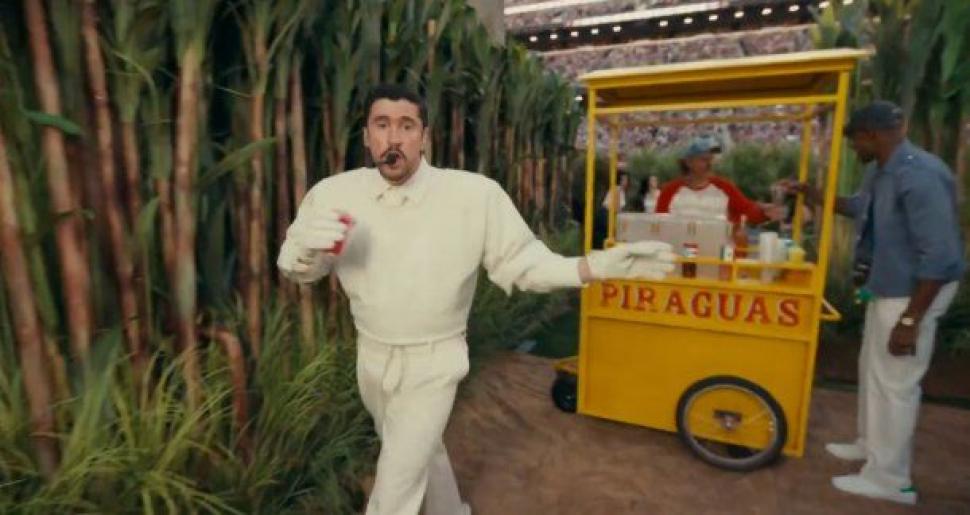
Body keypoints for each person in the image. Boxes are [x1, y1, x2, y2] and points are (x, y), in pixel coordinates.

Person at [276, 84, 676, 515]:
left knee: (394, 489)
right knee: (419, 451)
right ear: (366, 136)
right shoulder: (334, 194)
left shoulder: (473, 196)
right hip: (371, 357)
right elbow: (298, 268)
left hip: (435, 362)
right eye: (382, 125)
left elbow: (523, 264)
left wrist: (592, 266)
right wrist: (303, 252)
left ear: (424, 137)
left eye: (406, 126)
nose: (393, 138)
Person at [785, 100, 965, 505]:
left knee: (895, 383)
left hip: (914, 291)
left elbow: (941, 256)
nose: (853, 148)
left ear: (872, 135)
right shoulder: (881, 171)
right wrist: (812, 194)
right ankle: (870, 446)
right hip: (887, 285)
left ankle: (891, 479)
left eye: (855, 141)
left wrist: (910, 320)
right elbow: (856, 208)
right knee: (873, 369)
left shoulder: (919, 175)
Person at [655, 135, 785, 223]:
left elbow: (748, 210)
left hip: (718, 253)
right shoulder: (669, 190)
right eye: (704, 159)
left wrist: (766, 213)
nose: (709, 164)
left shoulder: (724, 187)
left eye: (711, 159)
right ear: (688, 162)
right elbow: (658, 223)